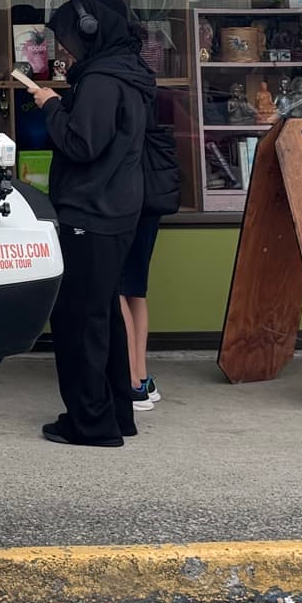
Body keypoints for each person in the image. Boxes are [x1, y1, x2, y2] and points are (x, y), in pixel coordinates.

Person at [11, 0, 154, 448]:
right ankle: (114, 413)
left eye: (70, 39)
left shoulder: (100, 81)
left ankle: (90, 422)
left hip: (90, 212)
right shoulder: (126, 73)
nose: (66, 49)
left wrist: (50, 105)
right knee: (103, 316)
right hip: (118, 208)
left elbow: (81, 144)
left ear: (92, 31)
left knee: (78, 321)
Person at [123, 84, 184, 413]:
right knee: (136, 289)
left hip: (125, 199)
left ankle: (130, 382)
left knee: (115, 288)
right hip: (152, 197)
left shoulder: (116, 90)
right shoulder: (150, 92)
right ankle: (142, 377)